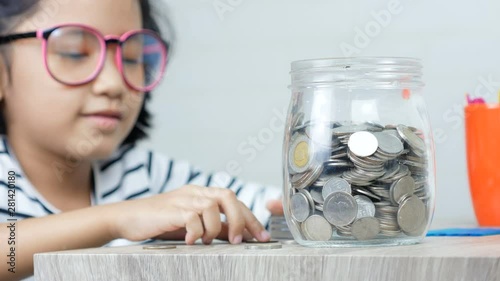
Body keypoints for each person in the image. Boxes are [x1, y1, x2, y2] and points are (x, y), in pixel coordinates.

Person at [0, 0, 284, 280]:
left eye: (132, 58)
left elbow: (270, 209)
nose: (114, 83)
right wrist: (115, 220)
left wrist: (304, 206)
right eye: (75, 53)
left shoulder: (144, 174)